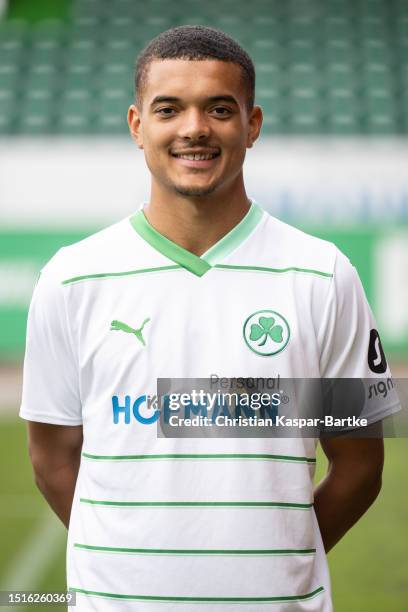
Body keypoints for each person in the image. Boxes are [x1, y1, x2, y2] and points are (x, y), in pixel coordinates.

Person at [20, 25, 399, 612]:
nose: (194, 128)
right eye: (169, 108)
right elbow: (51, 456)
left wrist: (277, 564)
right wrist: (126, 567)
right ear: (137, 125)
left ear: (252, 125)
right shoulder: (72, 279)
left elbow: (360, 465)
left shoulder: (324, 274)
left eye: (219, 109)